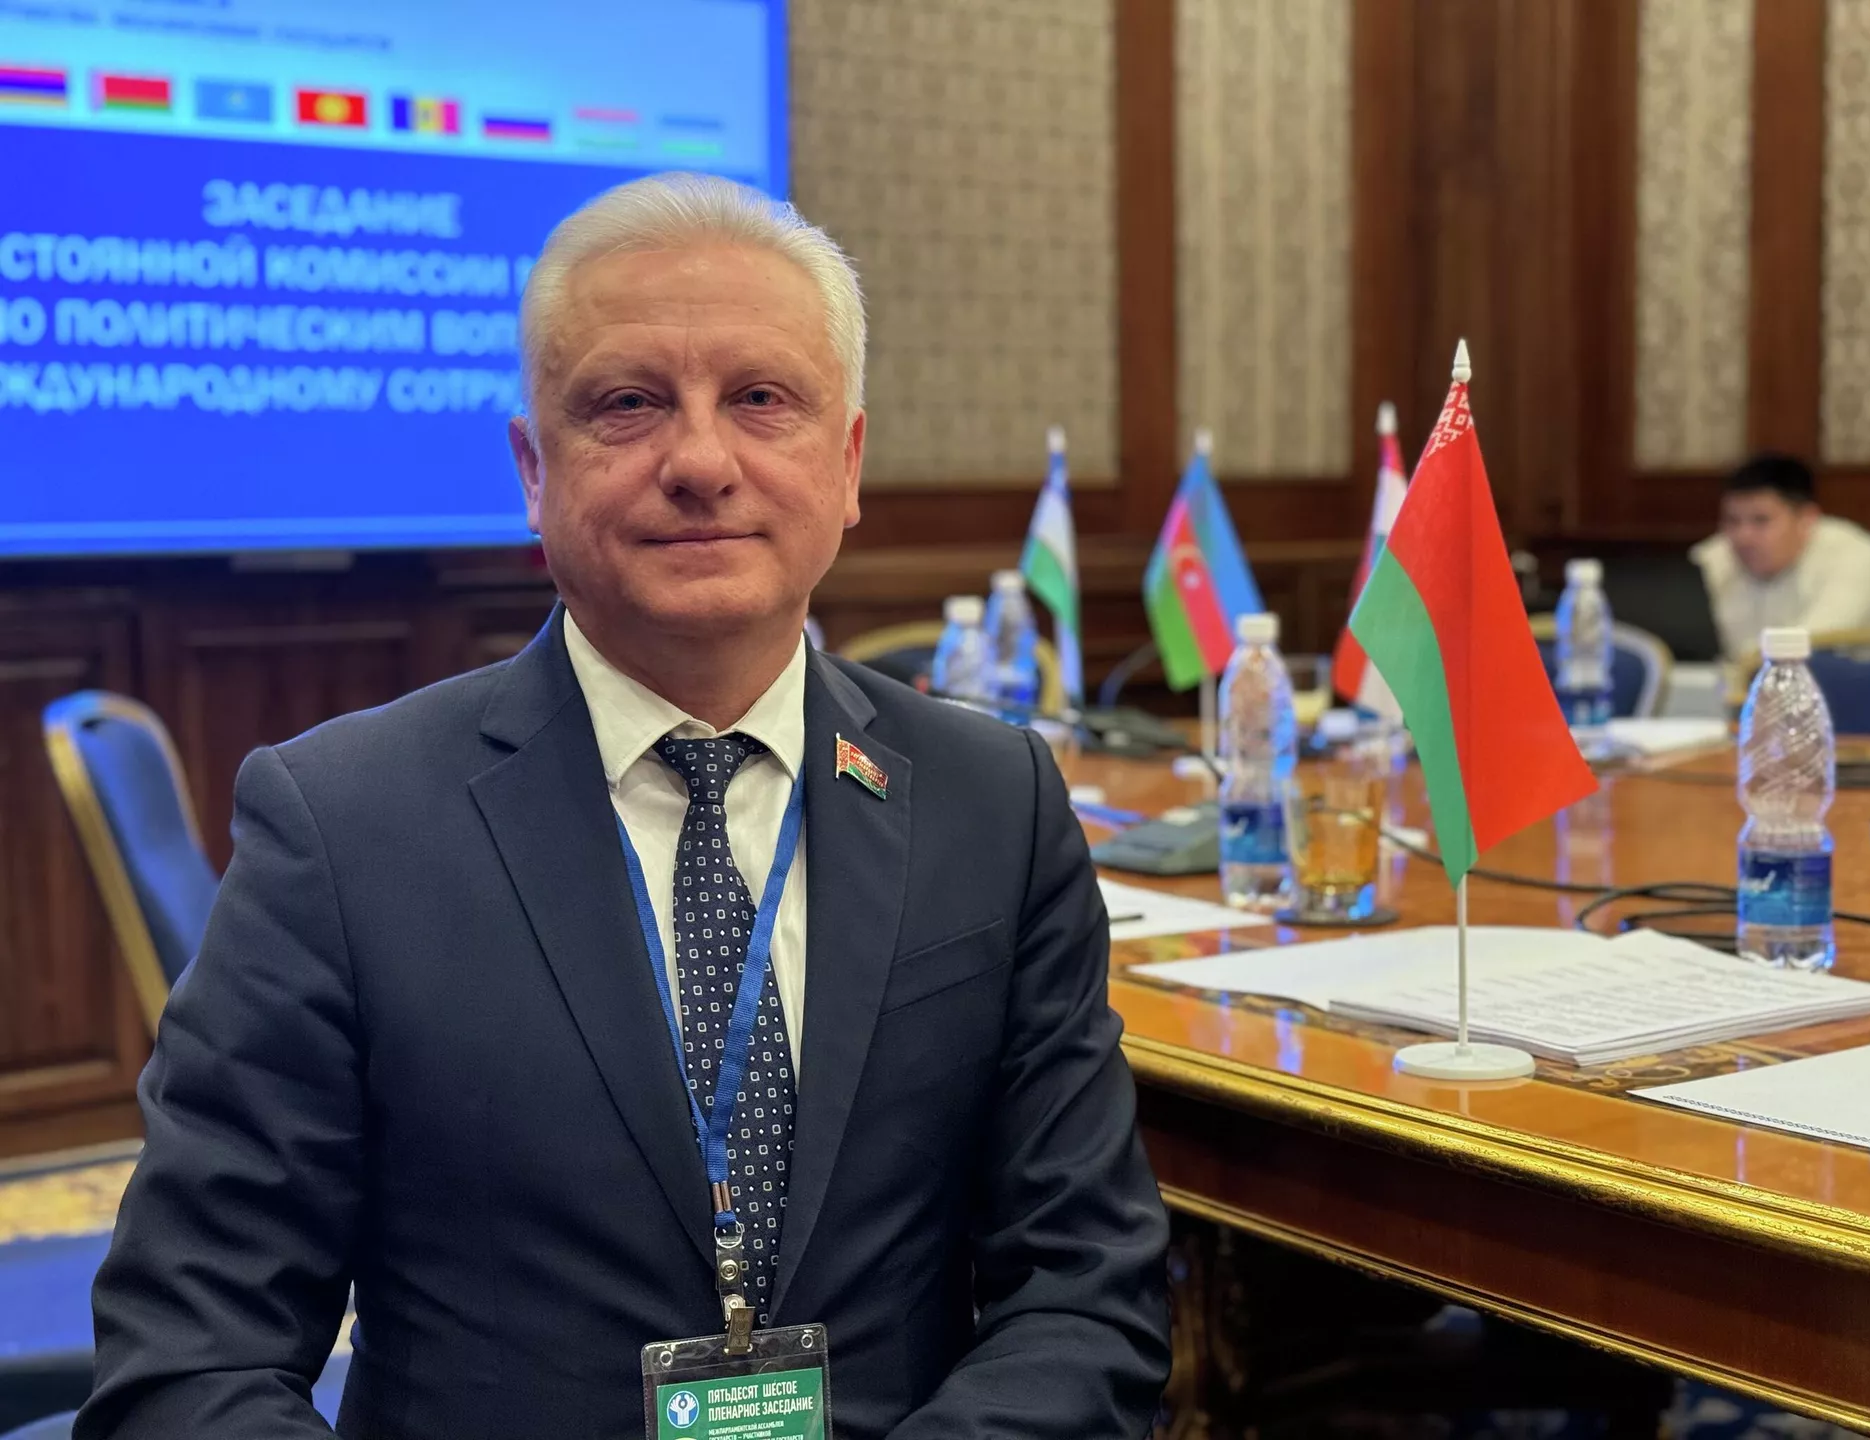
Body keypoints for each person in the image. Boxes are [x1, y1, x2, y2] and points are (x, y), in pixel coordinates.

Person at [78, 174, 1170, 1439]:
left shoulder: (996, 803)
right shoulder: (342, 826)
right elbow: (189, 1361)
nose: (700, 463)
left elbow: (1087, 1297)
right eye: (627, 404)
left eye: (761, 400)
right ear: (532, 470)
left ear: (848, 463)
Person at [1691, 452, 1870, 659]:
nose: (1743, 537)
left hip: (1846, 679)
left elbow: (1811, 643)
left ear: (1806, 519)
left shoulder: (1855, 555)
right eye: (1732, 521)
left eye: (1761, 520)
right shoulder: (1714, 557)